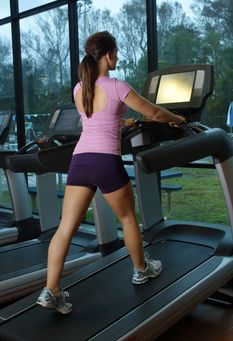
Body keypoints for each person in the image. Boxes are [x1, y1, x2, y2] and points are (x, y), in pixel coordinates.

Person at [36, 31, 185, 315]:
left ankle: (51, 291)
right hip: (106, 161)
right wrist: (178, 119)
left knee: (66, 227)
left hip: (80, 161)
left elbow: (96, 119)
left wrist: (123, 120)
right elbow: (154, 113)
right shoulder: (118, 86)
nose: (117, 57)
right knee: (128, 218)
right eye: (116, 52)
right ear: (108, 55)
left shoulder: (80, 88)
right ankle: (141, 269)